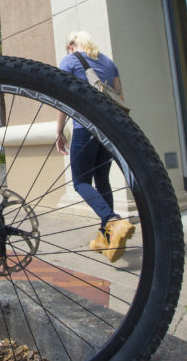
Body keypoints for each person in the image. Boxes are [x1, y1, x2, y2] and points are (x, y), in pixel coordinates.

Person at [55, 31, 135, 263]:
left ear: (71, 46)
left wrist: (59, 131)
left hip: (84, 128)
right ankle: (107, 236)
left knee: (80, 182)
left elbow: (60, 97)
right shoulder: (109, 63)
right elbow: (119, 96)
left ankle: (112, 220)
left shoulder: (70, 61)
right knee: (102, 181)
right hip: (107, 131)